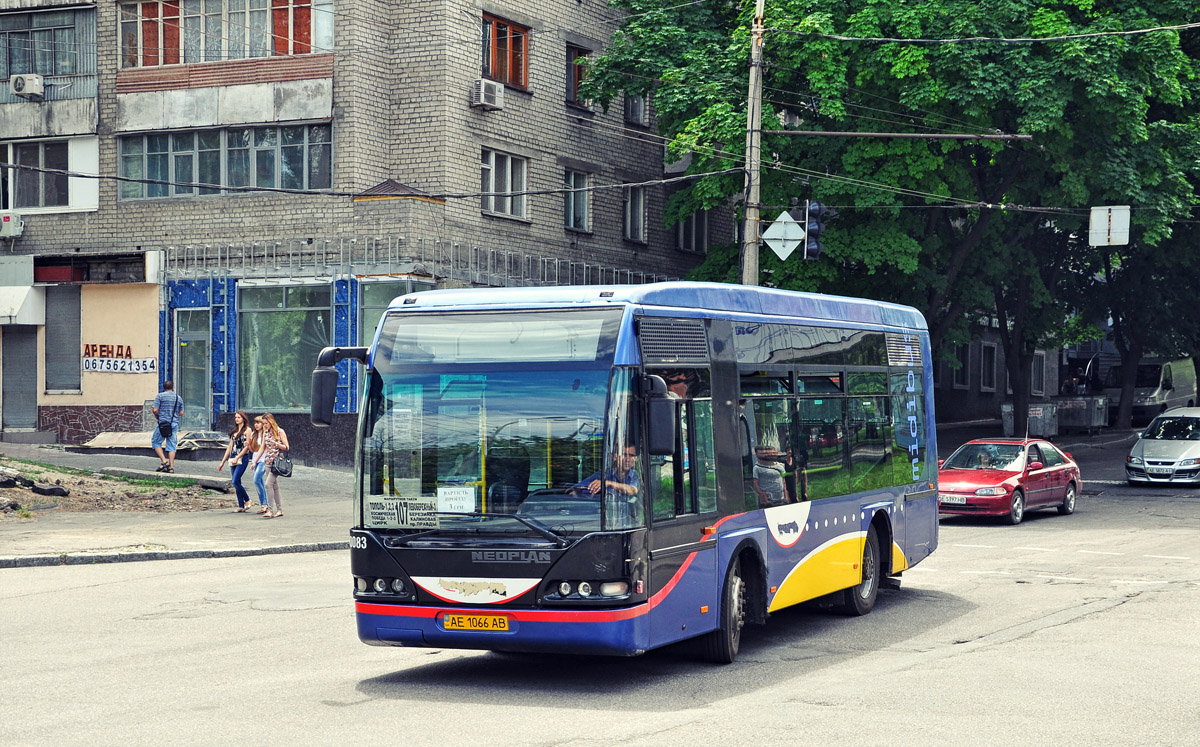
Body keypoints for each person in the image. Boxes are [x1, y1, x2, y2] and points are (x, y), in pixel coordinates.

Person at [251, 413, 290, 519]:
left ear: (271, 422)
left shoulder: (279, 431)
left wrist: (276, 443)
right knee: (274, 486)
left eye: (266, 423)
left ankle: (270, 509)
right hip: (268, 461)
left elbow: (286, 447)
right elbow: (262, 448)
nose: (265, 425)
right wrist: (255, 461)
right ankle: (279, 510)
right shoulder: (265, 432)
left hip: (276, 462)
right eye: (263, 423)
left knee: (268, 484)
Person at [218, 411, 253, 512]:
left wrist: (238, 457)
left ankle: (247, 499)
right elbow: (230, 447)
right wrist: (223, 461)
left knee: (235, 480)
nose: (236, 419)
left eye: (239, 417)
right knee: (237, 481)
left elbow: (247, 447)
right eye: (235, 417)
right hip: (233, 456)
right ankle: (241, 505)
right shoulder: (234, 431)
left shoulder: (248, 430)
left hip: (243, 457)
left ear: (243, 418)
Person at [151, 380, 184, 473]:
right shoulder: (178, 398)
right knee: (172, 445)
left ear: (163, 388)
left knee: (155, 442)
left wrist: (158, 415)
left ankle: (164, 461)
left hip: (162, 423)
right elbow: (181, 412)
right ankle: (171, 467)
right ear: (172, 387)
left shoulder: (160, 396)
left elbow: (154, 410)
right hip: (173, 424)